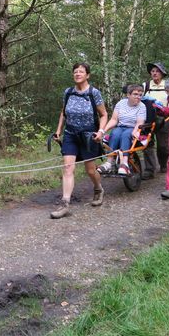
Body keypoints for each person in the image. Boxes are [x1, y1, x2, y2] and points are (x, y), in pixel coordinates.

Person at [50, 63, 108, 219]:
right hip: (71, 135)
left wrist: (101, 131)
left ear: (87, 75)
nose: (77, 74)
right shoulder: (68, 92)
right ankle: (65, 204)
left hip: (89, 136)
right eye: (75, 72)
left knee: (90, 170)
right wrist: (58, 130)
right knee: (68, 168)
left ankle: (98, 189)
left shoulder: (93, 93)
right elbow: (63, 112)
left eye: (81, 72)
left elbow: (103, 114)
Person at [97, 84, 146, 175]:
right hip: (121, 126)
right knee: (115, 133)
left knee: (126, 135)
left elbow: (139, 123)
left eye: (140, 95)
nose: (138, 97)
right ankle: (109, 162)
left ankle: (124, 163)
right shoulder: (121, 103)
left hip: (133, 127)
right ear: (128, 95)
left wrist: (135, 131)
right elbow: (114, 119)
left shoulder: (142, 106)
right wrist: (103, 130)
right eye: (135, 94)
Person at [142, 62, 169, 177]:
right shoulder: (146, 85)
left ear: (162, 73)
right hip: (148, 117)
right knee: (147, 142)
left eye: (157, 71)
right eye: (153, 71)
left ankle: (163, 164)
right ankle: (149, 170)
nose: (154, 73)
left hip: (164, 118)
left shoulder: (168, 85)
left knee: (163, 145)